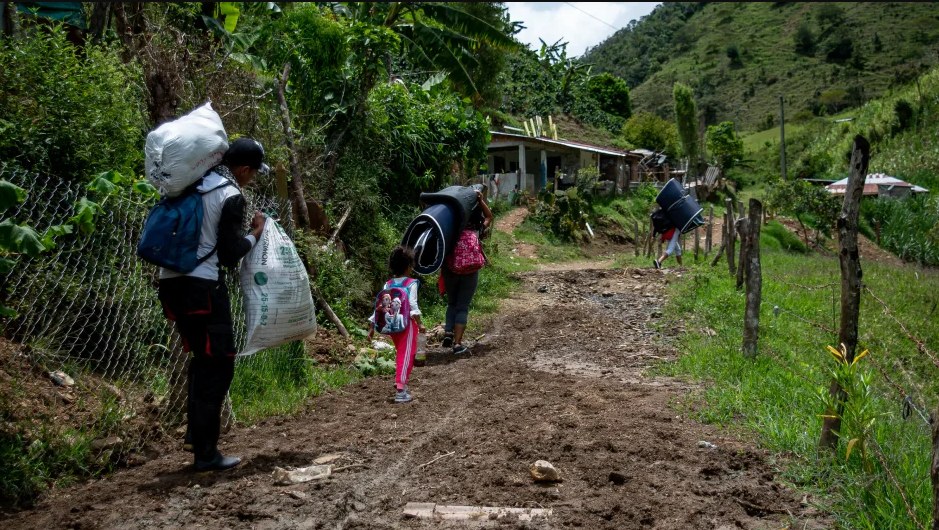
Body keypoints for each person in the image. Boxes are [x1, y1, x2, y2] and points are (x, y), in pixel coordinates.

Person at [158, 138, 268, 472]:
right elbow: (229, 254)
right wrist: (256, 233)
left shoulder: (190, 185)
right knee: (218, 364)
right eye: (252, 174)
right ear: (243, 169)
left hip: (171, 284)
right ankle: (206, 453)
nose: (251, 179)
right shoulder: (230, 194)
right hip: (203, 288)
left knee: (202, 362)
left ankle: (199, 439)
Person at [368, 246, 424, 404]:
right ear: (408, 267)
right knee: (407, 355)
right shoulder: (411, 283)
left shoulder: (388, 284)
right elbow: (412, 304)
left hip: (392, 327)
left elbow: (380, 305)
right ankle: (401, 389)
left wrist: (372, 325)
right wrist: (420, 323)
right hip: (407, 325)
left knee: (402, 353)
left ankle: (401, 380)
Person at [441, 189, 493, 355]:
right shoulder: (477, 229)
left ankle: (448, 332)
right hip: (470, 270)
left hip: (451, 269)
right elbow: (489, 217)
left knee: (452, 303)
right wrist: (480, 200)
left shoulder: (451, 229)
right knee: (462, 306)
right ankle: (457, 344)